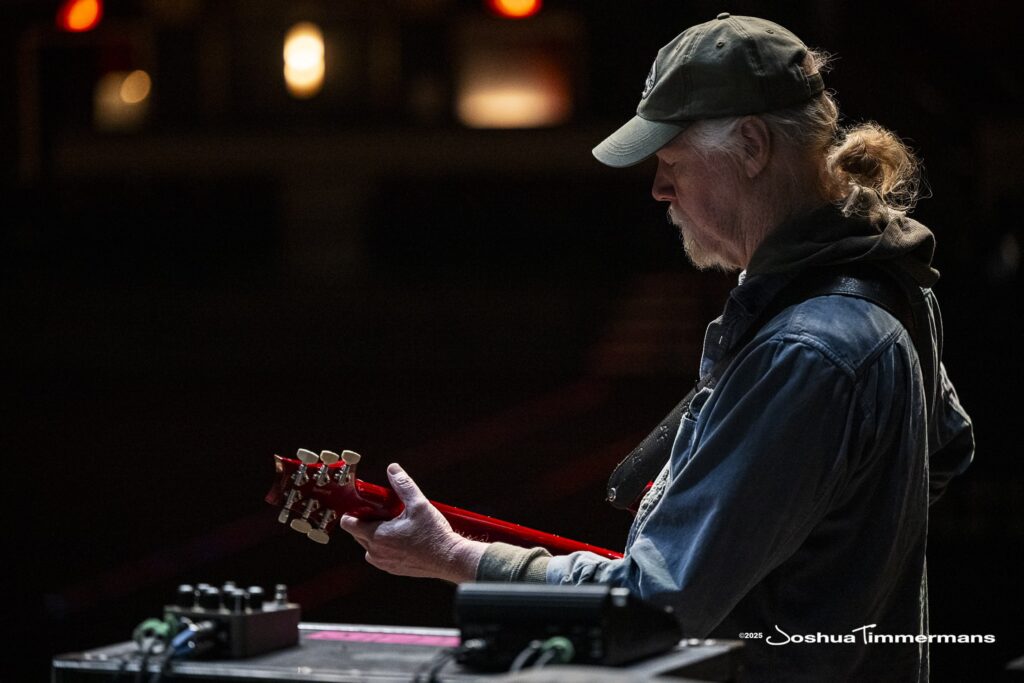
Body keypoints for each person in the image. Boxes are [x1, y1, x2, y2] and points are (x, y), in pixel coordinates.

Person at [340, 13, 974, 681]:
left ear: (753, 146)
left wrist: (454, 556)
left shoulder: (807, 351)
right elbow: (949, 446)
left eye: (672, 162)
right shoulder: (890, 281)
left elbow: (650, 599)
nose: (659, 188)